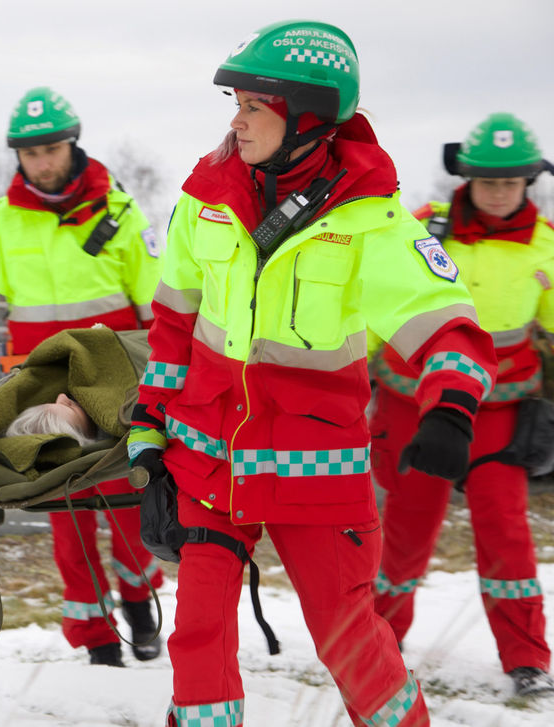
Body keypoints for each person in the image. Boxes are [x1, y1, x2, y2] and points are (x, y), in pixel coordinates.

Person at [125, 19, 498, 726]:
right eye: (234, 103)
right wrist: (150, 419)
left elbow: (448, 322)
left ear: (307, 118)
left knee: (349, 641)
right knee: (198, 635)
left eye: (252, 107)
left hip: (316, 473)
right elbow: (174, 322)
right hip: (211, 464)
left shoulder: (372, 221)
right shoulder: (204, 199)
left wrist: (450, 409)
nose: (235, 122)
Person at [0, 86, 165, 667]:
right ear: (18, 156)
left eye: (52, 149)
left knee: (131, 503)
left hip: (116, 391)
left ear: (72, 145)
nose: (42, 161)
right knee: (66, 514)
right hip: (41, 396)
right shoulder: (0, 226)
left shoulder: (122, 213)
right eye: (31, 152)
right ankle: (96, 639)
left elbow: (161, 312)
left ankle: (139, 602)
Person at [371, 112, 554, 698]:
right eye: (488, 180)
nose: (500, 191)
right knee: (405, 530)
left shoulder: (548, 245)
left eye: (511, 181)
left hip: (501, 414)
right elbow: (378, 315)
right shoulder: (422, 231)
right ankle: (378, 640)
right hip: (411, 405)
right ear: (466, 177)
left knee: (506, 533)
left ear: (529, 182)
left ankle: (527, 658)